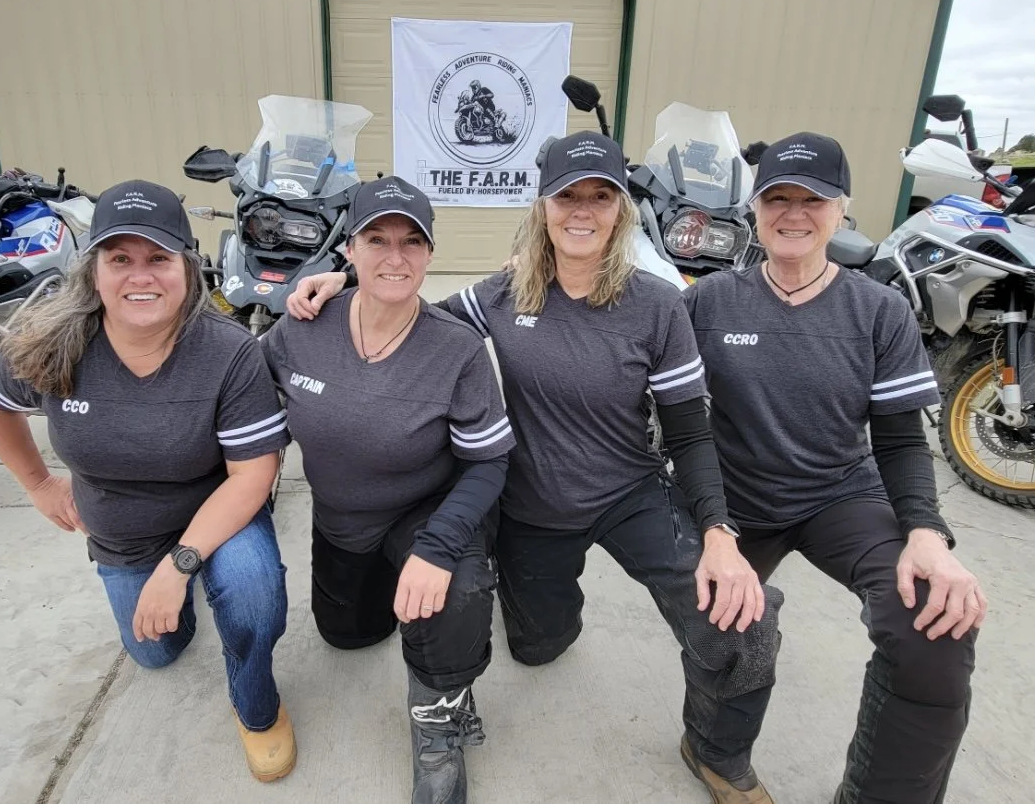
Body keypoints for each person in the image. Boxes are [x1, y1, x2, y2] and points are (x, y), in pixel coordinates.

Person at [288, 133, 784, 804]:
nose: (581, 210)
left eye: (599, 196)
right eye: (566, 196)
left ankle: (716, 751)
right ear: (542, 206)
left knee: (739, 619)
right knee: (538, 648)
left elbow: (691, 431)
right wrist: (343, 280)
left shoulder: (657, 304)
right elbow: (409, 309)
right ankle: (535, 616)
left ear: (620, 210)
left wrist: (719, 535)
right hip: (531, 507)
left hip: (630, 493)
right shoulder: (501, 293)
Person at [683, 132, 987, 803]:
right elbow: (651, 383)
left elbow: (902, 442)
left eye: (812, 199)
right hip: (733, 501)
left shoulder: (877, 311)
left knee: (932, 628)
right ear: (754, 208)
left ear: (841, 207)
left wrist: (927, 535)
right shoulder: (708, 303)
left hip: (839, 496)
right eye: (777, 198)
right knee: (730, 621)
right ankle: (711, 748)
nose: (793, 213)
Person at [0, 180, 296, 783]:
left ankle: (257, 705)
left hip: (218, 520)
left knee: (251, 597)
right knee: (156, 653)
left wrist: (179, 567)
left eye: (158, 258)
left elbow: (254, 475)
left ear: (188, 269)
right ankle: (169, 594)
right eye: (120, 258)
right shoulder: (54, 341)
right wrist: (39, 484)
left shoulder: (229, 354)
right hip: (122, 536)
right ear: (94, 270)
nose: (139, 276)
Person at [261, 176, 515, 804]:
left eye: (412, 242)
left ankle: (440, 726)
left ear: (430, 255)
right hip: (341, 520)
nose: (395, 257)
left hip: (420, 511)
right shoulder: (298, 331)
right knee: (346, 637)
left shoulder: (456, 349)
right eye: (377, 239)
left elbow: (488, 465)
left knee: (457, 589)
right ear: (349, 249)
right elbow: (239, 418)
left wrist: (438, 549)